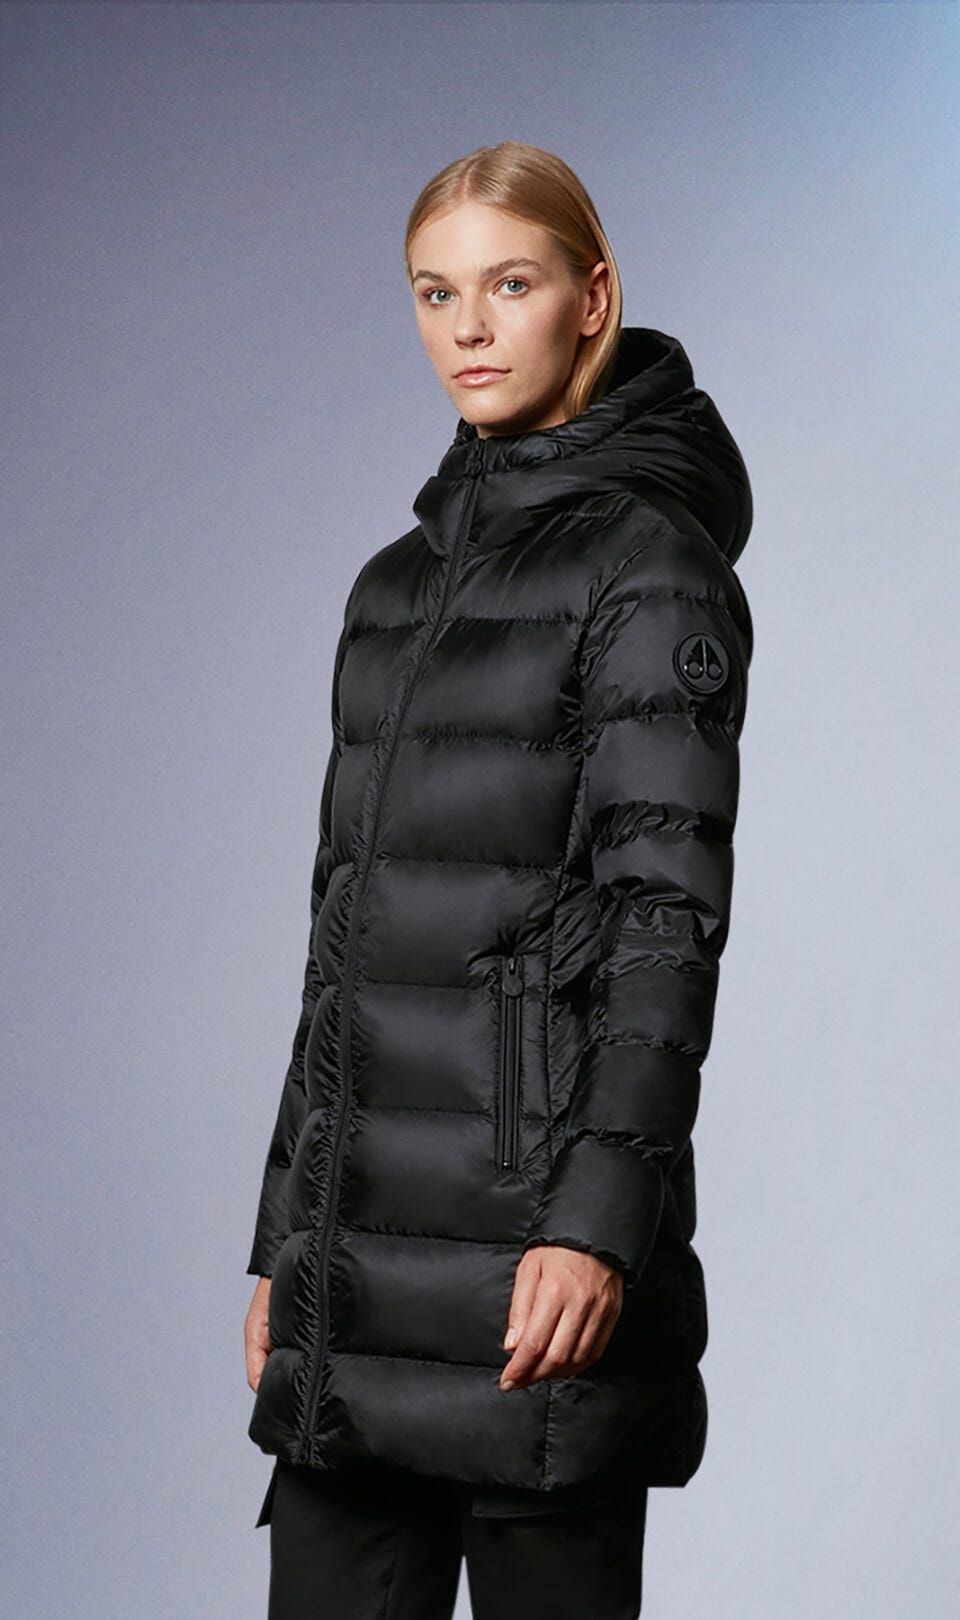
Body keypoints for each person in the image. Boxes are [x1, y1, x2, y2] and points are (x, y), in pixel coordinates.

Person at [242, 140, 754, 1620]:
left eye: (508, 284)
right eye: (435, 293)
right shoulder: (392, 591)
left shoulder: (648, 567)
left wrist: (594, 1226)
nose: (467, 328)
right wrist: (284, 1243)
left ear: (591, 298)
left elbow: (665, 924)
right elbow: (341, 948)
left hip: (533, 1260)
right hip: (356, 1280)